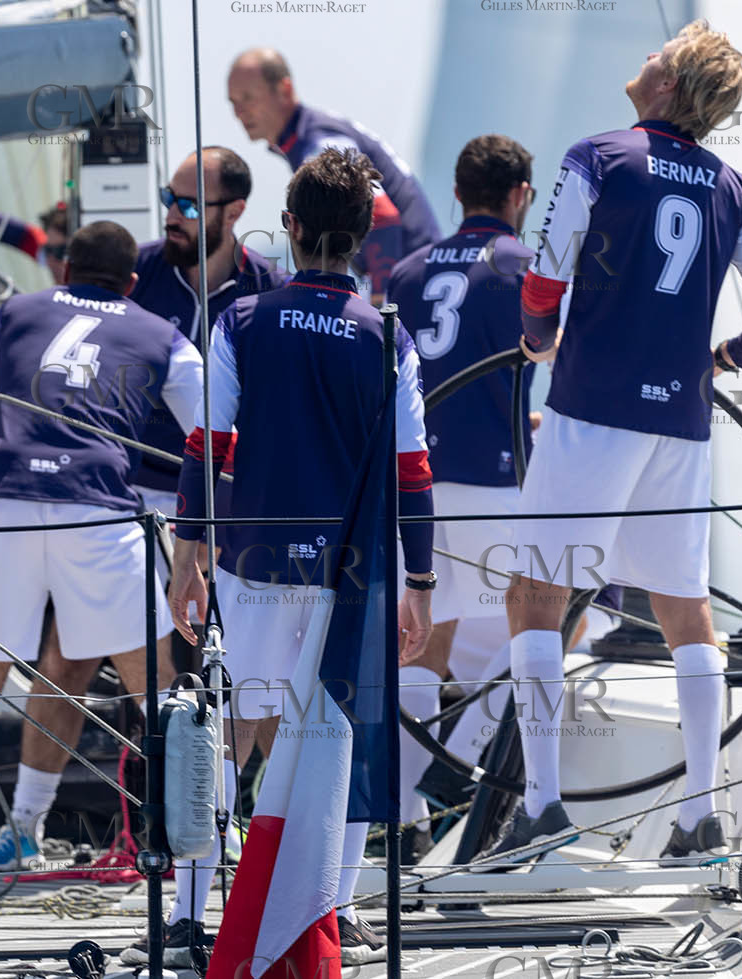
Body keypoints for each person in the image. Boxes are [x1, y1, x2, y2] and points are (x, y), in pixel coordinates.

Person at [472, 20, 742, 870]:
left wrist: (538, 338)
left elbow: (545, 279)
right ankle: (703, 819)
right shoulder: (732, 186)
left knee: (533, 598)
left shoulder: (598, 155)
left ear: (668, 85)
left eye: (660, 52)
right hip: (681, 425)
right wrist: (722, 360)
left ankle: (544, 809)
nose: (646, 56)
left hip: (592, 411)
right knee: (682, 606)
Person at [155, 148, 437, 968]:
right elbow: (412, 472)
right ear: (358, 241)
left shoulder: (242, 319)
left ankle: (184, 917)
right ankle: (333, 919)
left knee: (227, 735)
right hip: (355, 579)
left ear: (293, 227)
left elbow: (207, 444)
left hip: (254, 568)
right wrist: (419, 581)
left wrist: (186, 553)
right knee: (339, 738)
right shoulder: (389, 336)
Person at [0, 221, 205, 874]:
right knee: (156, 691)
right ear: (133, 284)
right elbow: (215, 440)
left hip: (5, 504)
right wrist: (199, 536)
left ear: (64, 267)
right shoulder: (163, 333)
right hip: (98, 510)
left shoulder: (14, 311)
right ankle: (199, 855)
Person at [385, 134, 537, 844]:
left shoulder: (407, 273)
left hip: (414, 482)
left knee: (424, 638)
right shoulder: (523, 267)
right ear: (520, 196)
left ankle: (406, 811)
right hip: (493, 474)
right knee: (542, 619)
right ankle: (453, 767)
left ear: (457, 193)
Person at [127, 147, 284, 514]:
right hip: (132, 489)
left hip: (225, 496)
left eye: (190, 207)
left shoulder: (271, 292)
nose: (171, 216)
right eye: (168, 199)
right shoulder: (133, 273)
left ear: (234, 212)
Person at [228, 47, 440, 303]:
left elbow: (383, 217)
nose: (239, 113)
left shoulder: (321, 142)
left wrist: (380, 305)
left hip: (419, 284)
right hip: (422, 277)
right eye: (234, 103)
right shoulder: (307, 136)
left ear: (284, 90)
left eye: (248, 98)